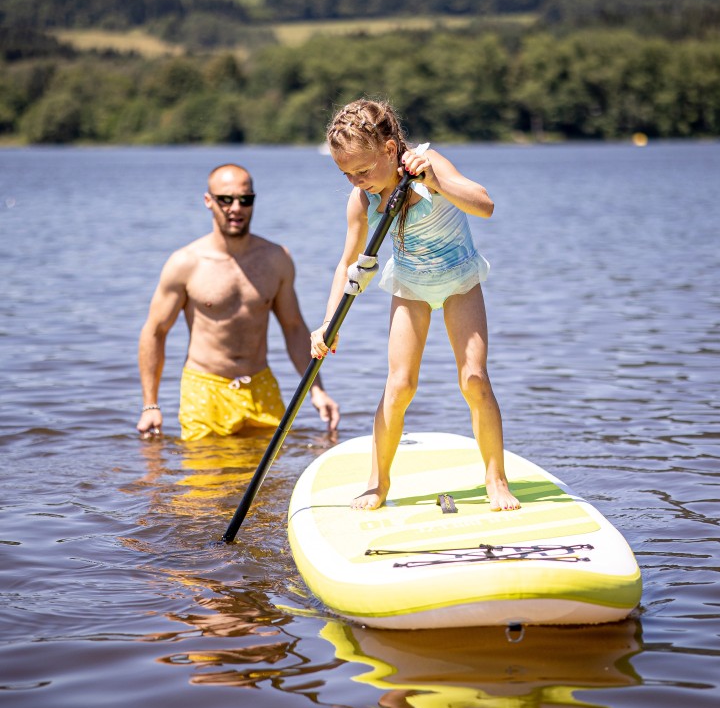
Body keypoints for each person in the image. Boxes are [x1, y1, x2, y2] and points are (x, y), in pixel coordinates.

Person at [310, 99, 519, 511]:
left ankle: (495, 479)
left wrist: (436, 180)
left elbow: (485, 205)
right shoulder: (362, 200)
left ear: (390, 150)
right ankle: (378, 483)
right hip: (410, 287)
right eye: (346, 174)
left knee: (474, 379)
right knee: (400, 385)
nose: (356, 182)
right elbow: (349, 263)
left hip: (460, 280)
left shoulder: (428, 164)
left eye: (363, 171)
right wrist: (327, 323)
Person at [137, 163, 339, 441]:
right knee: (205, 481)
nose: (236, 208)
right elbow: (154, 332)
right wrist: (150, 405)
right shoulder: (185, 263)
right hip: (205, 389)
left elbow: (293, 328)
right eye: (226, 199)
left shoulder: (276, 259)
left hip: (261, 386)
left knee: (271, 481)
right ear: (209, 201)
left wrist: (317, 389)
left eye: (245, 199)